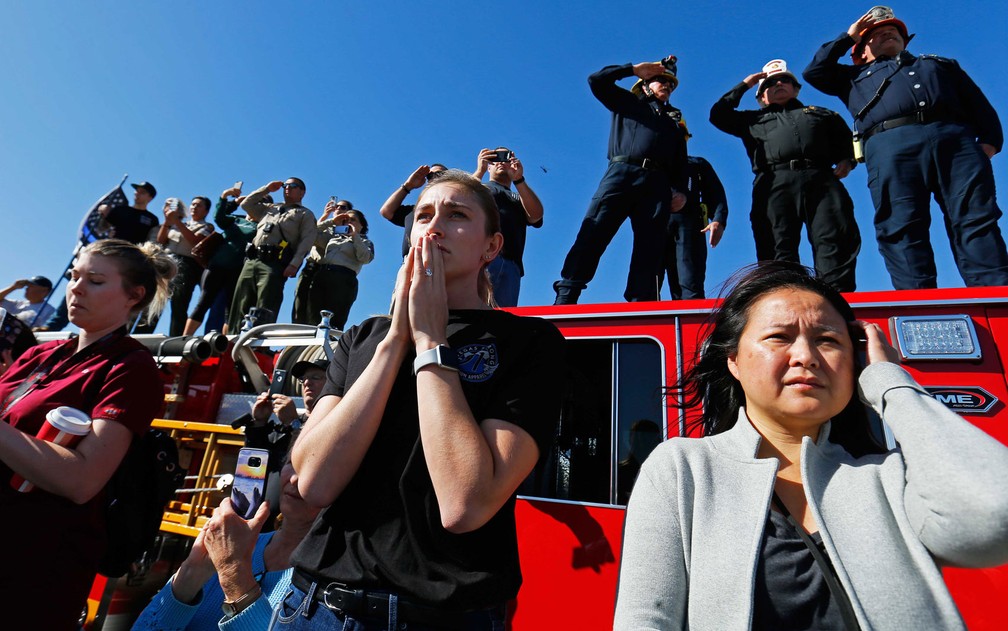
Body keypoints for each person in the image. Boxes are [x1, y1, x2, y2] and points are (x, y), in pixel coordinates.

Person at [613, 261, 1008, 629]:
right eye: (779, 337)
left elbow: (994, 518)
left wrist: (891, 382)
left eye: (828, 340)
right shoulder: (685, 468)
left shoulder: (890, 477)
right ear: (733, 361)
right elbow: (645, 620)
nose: (806, 356)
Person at [278, 169, 564, 630]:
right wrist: (395, 340)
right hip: (314, 605)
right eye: (423, 215)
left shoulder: (529, 341)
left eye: (456, 216)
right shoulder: (363, 338)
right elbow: (313, 481)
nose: (432, 227)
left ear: (491, 248)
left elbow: (466, 504)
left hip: (439, 617)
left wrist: (431, 341)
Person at [0, 238, 175, 630]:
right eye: (74, 276)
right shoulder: (40, 355)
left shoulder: (132, 367)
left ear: (134, 296)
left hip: (32, 572)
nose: (75, 287)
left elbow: (81, 479)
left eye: (94, 280)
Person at [803, 7, 1008, 289]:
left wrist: (989, 142)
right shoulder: (850, 77)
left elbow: (977, 103)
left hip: (954, 142)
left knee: (975, 217)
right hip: (889, 145)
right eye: (875, 34)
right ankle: (918, 299)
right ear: (861, 51)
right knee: (901, 223)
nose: (887, 33)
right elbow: (814, 71)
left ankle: (995, 295)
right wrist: (848, 36)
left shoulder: (940, 64)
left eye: (893, 31)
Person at [710, 59, 861, 292]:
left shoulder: (822, 114)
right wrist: (746, 84)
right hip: (774, 182)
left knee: (834, 239)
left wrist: (847, 161)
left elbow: (846, 139)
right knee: (777, 244)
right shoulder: (751, 120)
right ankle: (784, 297)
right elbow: (718, 115)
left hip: (821, 179)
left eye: (785, 80)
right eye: (770, 83)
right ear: (761, 97)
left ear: (797, 88)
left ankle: (836, 300)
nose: (779, 84)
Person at [554, 56, 689, 304]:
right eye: (661, 80)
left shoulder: (674, 126)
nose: (667, 86)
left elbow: (681, 162)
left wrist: (680, 190)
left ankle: (640, 301)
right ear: (646, 84)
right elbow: (596, 80)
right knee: (594, 231)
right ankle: (568, 292)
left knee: (650, 246)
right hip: (622, 173)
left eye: (670, 84)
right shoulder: (627, 103)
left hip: (657, 184)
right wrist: (632, 69)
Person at [132, 460, 320, 630]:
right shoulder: (226, 543)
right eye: (293, 462)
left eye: (317, 468)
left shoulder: (332, 584)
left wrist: (233, 573)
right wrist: (190, 573)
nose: (295, 479)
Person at [42, 181, 161, 332]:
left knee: (121, 296)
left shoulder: (152, 219)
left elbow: (151, 241)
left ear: (150, 197)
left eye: (142, 192)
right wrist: (104, 214)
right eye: (137, 191)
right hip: (107, 255)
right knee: (79, 285)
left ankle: (117, 333)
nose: (137, 194)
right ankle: (54, 325)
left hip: (130, 262)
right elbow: (101, 228)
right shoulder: (120, 210)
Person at [228, 178, 317, 331]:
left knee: (266, 303)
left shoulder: (304, 214)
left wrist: (294, 263)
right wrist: (267, 189)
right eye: (285, 185)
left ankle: (259, 346)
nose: (287, 188)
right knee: (241, 301)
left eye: (293, 186)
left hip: (275, 262)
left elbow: (306, 241)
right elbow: (246, 204)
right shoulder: (269, 208)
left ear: (302, 192)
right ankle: (233, 341)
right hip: (252, 259)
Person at [183, 186, 260, 336]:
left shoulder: (261, 226)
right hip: (216, 266)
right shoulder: (236, 220)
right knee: (203, 302)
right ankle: (184, 340)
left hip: (237, 270)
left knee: (230, 309)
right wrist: (226, 197)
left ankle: (223, 346)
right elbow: (219, 216)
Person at [473, 147, 544, 307]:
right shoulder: (480, 188)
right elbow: (460, 198)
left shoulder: (520, 196)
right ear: (489, 165)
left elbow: (536, 216)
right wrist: (480, 170)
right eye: (495, 158)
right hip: (482, 258)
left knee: (503, 321)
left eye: (506, 158)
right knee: (473, 311)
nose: (501, 162)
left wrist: (519, 179)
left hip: (512, 265)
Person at [291, 200, 374, 328]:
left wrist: (354, 236)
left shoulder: (365, 242)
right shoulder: (333, 237)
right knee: (312, 318)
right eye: (345, 220)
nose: (348, 222)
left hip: (344, 280)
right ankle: (308, 346)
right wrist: (331, 221)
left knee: (334, 321)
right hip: (322, 275)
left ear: (361, 225)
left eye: (352, 220)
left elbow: (365, 258)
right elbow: (312, 233)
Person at [661, 155, 728, 300]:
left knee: (690, 282)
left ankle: (692, 321)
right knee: (647, 283)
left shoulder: (696, 164)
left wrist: (718, 219)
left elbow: (715, 192)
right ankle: (648, 321)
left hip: (689, 226)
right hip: (655, 224)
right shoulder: (649, 164)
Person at [158, 196, 215, 336]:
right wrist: (167, 222)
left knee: (179, 304)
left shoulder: (207, 227)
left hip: (186, 265)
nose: (194, 207)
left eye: (199, 205)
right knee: (155, 300)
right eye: (193, 204)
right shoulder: (177, 224)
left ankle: (175, 339)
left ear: (206, 211)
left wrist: (176, 220)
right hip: (166, 261)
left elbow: (195, 241)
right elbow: (161, 241)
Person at [379, 162, 448, 259]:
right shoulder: (415, 211)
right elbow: (386, 211)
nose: (434, 178)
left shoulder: (457, 207)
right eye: (430, 176)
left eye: (440, 174)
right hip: (411, 265)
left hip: (446, 264)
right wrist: (408, 185)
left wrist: (477, 173)